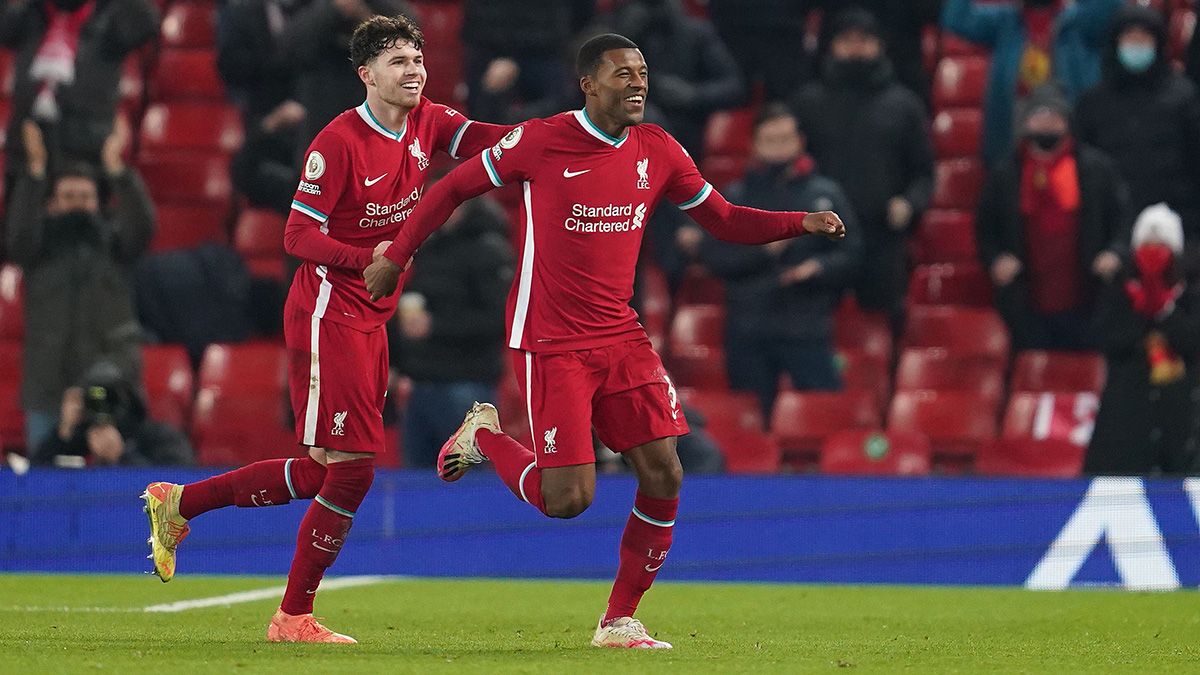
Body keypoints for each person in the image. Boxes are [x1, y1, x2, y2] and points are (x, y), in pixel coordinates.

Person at [363, 33, 846, 649]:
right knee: (568, 500)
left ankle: (619, 620)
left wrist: (797, 223)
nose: (638, 83)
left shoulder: (659, 149)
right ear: (589, 83)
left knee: (665, 472)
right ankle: (484, 433)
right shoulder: (540, 139)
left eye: (643, 72)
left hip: (619, 334)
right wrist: (398, 256)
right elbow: (453, 187)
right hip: (550, 337)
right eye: (623, 74)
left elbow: (722, 218)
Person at [140, 16, 512, 644]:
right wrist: (369, 260)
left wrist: (571, 139)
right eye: (398, 61)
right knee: (353, 470)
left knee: (323, 471)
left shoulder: (429, 123)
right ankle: (291, 616)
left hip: (372, 318)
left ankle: (179, 505)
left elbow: (495, 138)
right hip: (326, 314)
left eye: (418, 58)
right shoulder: (335, 143)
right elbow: (296, 236)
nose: (415, 70)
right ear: (366, 74)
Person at [699, 104, 861, 417]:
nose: (779, 148)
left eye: (785, 139)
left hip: (806, 324)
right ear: (754, 145)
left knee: (822, 416)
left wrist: (818, 269)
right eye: (770, 141)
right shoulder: (736, 197)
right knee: (748, 422)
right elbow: (716, 257)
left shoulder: (824, 194)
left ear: (800, 142)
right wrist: (763, 250)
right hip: (749, 327)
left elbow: (852, 251)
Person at [7, 116, 152, 452]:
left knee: (111, 484)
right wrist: (35, 172)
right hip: (48, 391)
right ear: (52, 205)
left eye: (85, 196)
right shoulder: (37, 251)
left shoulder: (114, 247)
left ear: (97, 204)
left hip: (108, 384)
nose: (77, 203)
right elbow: (17, 236)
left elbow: (142, 228)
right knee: (45, 489)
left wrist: (117, 170)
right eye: (68, 196)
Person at [789, 9, 931, 322]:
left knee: (884, 319)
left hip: (881, 235)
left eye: (864, 40)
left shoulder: (904, 105)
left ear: (879, 46)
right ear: (832, 46)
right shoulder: (807, 103)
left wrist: (909, 203)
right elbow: (789, 165)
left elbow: (924, 173)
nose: (856, 48)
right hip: (821, 235)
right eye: (847, 40)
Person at [974, 85, 1128, 351]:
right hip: (1026, 302)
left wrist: (1114, 253)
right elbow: (985, 228)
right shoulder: (1005, 174)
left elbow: (1122, 218)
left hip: (1087, 300)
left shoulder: (1096, 168)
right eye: (1039, 117)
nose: (1047, 125)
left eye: (1054, 118)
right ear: (1026, 123)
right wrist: (995, 259)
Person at [0, 0, 160, 215]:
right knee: (20, 242)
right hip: (27, 162)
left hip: (86, 167)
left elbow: (145, 22)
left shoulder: (111, 17)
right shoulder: (31, 14)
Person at [388, 196, 512, 468]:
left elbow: (499, 320)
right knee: (418, 485)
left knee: (470, 487)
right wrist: (396, 362)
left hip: (466, 386)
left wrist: (436, 326)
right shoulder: (429, 248)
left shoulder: (489, 250)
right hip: (420, 385)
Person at [1086, 204, 1200, 475]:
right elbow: (1107, 338)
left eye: (1161, 245)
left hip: (1179, 414)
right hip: (1125, 410)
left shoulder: (1189, 297)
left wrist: (1164, 311)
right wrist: (1143, 310)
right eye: (1147, 244)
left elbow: (1192, 343)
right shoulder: (1119, 292)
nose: (1153, 252)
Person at [941, 0, 1122, 165]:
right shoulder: (1004, 22)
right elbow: (957, 18)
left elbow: (1108, 7)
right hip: (1013, 139)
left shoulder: (1080, 22)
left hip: (1072, 138)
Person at [1075, 5, 1200, 243]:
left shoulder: (1184, 97)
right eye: (1130, 39)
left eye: (1143, 39)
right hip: (1111, 229)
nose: (1136, 46)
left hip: (1177, 225)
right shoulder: (1093, 102)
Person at [603, 0, 744, 158]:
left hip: (682, 124)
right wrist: (623, 36)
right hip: (624, 123)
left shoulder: (695, 34)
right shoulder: (612, 27)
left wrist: (693, 95)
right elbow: (589, 83)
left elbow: (734, 86)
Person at [279, 0, 415, 151]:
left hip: (376, 113)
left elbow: (409, 35)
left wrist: (365, 16)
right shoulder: (313, 8)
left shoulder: (383, 6)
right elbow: (289, 48)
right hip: (322, 111)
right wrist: (334, 8)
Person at [32, 361, 194, 467]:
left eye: (111, 399)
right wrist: (64, 432)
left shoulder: (159, 437)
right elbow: (34, 480)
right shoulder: (79, 438)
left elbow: (177, 487)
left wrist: (122, 455)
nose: (104, 409)